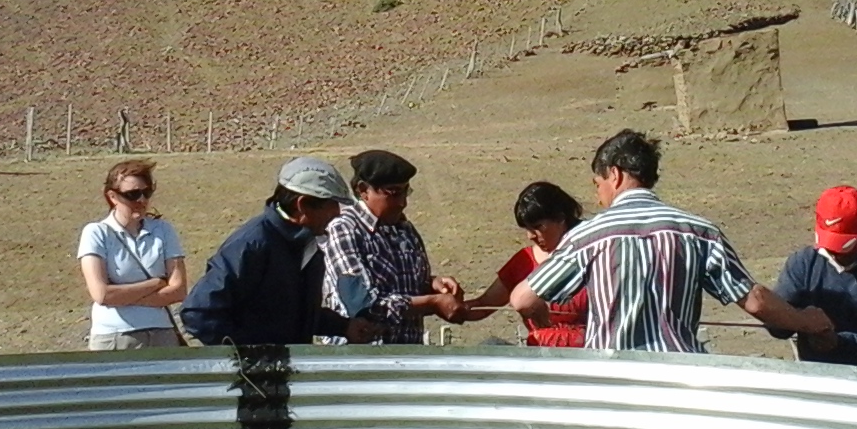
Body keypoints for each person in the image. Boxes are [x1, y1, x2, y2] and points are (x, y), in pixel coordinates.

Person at [510, 129, 818, 352]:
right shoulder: (699, 231)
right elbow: (755, 300)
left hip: (609, 382)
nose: (598, 195)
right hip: (677, 377)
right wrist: (806, 321)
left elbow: (523, 299)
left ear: (614, 175)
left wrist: (543, 315)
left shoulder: (586, 237)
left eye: (598, 184)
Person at [180, 158, 378, 347]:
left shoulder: (307, 242)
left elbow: (290, 314)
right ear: (302, 205)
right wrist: (252, 355)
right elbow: (198, 313)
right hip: (255, 379)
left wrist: (344, 326)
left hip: (287, 373)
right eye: (331, 204)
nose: (337, 213)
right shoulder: (251, 245)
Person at [320, 151, 465, 343]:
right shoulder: (344, 230)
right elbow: (362, 304)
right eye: (394, 194)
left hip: (408, 357)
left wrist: (433, 285)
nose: (402, 203)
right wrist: (432, 303)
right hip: (361, 360)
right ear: (364, 190)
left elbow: (402, 288)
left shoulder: (404, 229)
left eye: (406, 192)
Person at [767, 185, 857, 370]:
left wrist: (837, 343)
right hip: (819, 378)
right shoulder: (804, 263)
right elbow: (779, 328)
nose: (833, 252)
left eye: (843, 245)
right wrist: (782, 316)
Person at [77, 160, 189, 351]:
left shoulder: (163, 230)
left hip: (162, 334)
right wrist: (155, 283)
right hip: (114, 336)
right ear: (113, 196)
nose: (142, 200)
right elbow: (102, 294)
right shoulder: (96, 233)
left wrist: (122, 297)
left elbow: (179, 290)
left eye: (147, 193)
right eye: (132, 194)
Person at [461, 181, 589, 346]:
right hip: (538, 359)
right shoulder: (525, 261)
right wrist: (447, 306)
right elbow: (483, 305)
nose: (530, 236)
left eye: (538, 227)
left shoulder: (593, 252)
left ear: (560, 218)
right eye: (527, 229)